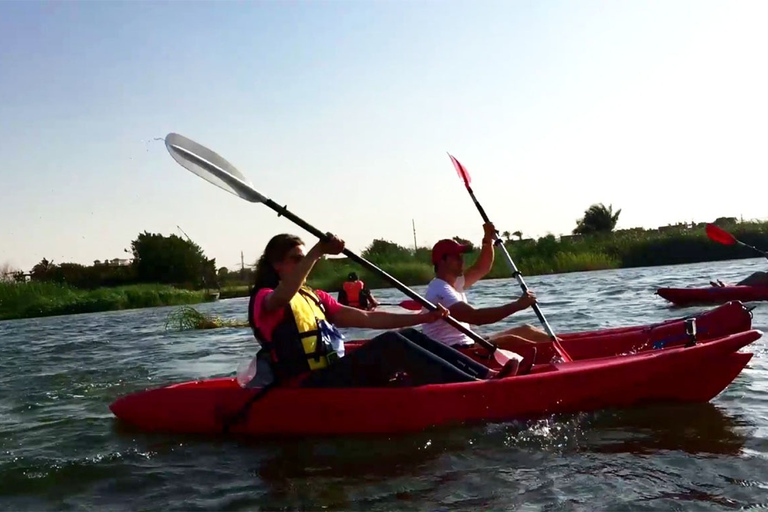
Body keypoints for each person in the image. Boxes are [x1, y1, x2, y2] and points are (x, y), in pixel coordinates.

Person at [246, 233, 522, 389]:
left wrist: (424, 317)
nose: (306, 263)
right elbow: (282, 297)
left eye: (305, 258)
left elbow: (367, 317)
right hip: (303, 386)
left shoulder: (314, 297)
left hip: (331, 376)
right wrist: (317, 251)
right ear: (276, 265)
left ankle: (484, 377)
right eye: (297, 259)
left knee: (408, 335)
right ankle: (475, 389)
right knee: (391, 344)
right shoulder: (265, 298)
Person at [422, 223, 554, 357]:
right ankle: (553, 357)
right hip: (455, 353)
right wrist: (517, 305)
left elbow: (482, 267)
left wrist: (487, 239)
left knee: (527, 330)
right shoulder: (440, 290)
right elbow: (476, 317)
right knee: (510, 341)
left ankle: (565, 349)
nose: (462, 260)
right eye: (456, 257)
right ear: (442, 261)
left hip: (468, 345)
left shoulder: (454, 284)